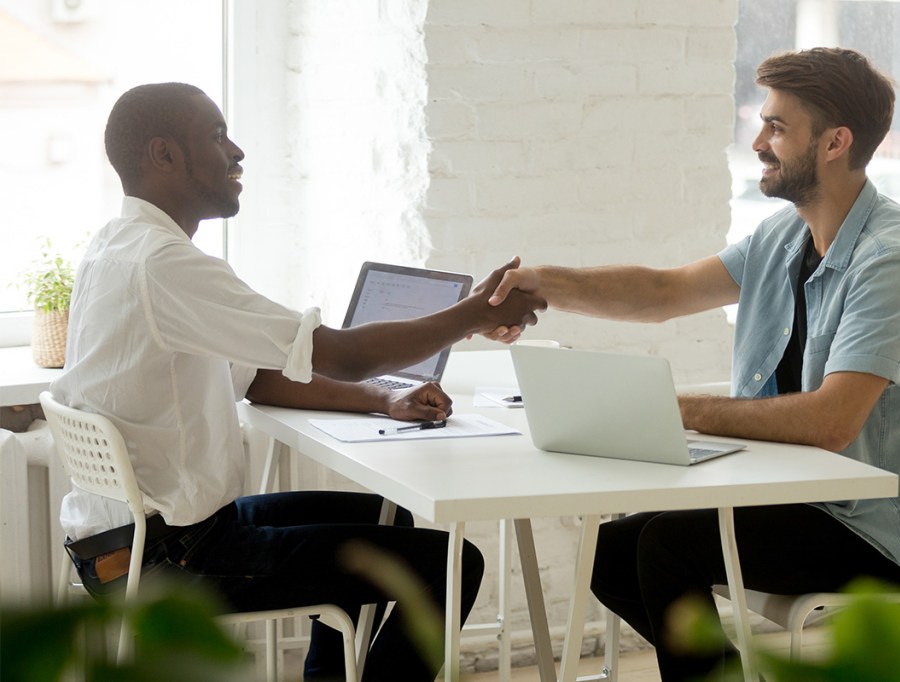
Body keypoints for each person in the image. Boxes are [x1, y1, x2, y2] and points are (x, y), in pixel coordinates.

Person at [486, 48, 900, 679]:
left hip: (875, 528)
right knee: (613, 549)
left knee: (664, 548)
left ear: (835, 143)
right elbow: (664, 292)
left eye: (777, 127)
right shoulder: (785, 235)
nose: (758, 141)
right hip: (796, 492)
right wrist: (544, 284)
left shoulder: (893, 261)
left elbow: (831, 423)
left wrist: (674, 411)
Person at [51, 82, 545, 681]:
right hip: (171, 557)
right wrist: (474, 312)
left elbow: (260, 377)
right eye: (215, 136)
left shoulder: (115, 248)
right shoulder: (164, 264)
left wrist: (385, 398)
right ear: (164, 155)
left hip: (126, 543)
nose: (236, 153)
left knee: (387, 518)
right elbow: (339, 353)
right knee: (450, 565)